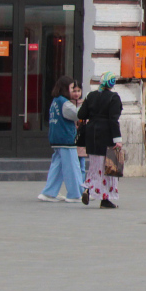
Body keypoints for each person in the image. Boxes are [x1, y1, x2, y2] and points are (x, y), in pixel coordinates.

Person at [79, 72, 124, 209]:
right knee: (108, 167)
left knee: (94, 165)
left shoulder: (90, 95)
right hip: (106, 134)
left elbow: (81, 114)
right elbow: (113, 120)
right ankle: (105, 199)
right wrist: (118, 139)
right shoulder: (113, 98)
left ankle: (88, 187)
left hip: (91, 134)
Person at [38, 76, 83, 203]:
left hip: (56, 138)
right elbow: (77, 115)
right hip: (66, 139)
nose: (72, 91)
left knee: (57, 166)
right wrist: (83, 107)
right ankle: (74, 194)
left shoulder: (55, 101)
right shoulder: (65, 103)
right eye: (70, 88)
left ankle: (49, 192)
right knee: (72, 166)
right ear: (65, 88)